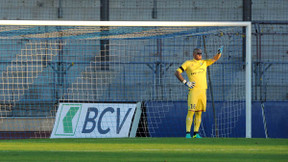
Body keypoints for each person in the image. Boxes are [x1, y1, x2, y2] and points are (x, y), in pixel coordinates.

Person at [175, 46, 223, 138]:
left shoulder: (204, 63)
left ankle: (196, 133)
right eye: (198, 53)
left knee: (199, 112)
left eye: (201, 53)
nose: (200, 54)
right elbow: (177, 72)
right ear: (194, 54)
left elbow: (214, 59)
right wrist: (186, 82)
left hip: (203, 92)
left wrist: (219, 53)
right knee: (191, 111)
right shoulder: (188, 63)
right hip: (194, 91)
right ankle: (188, 133)